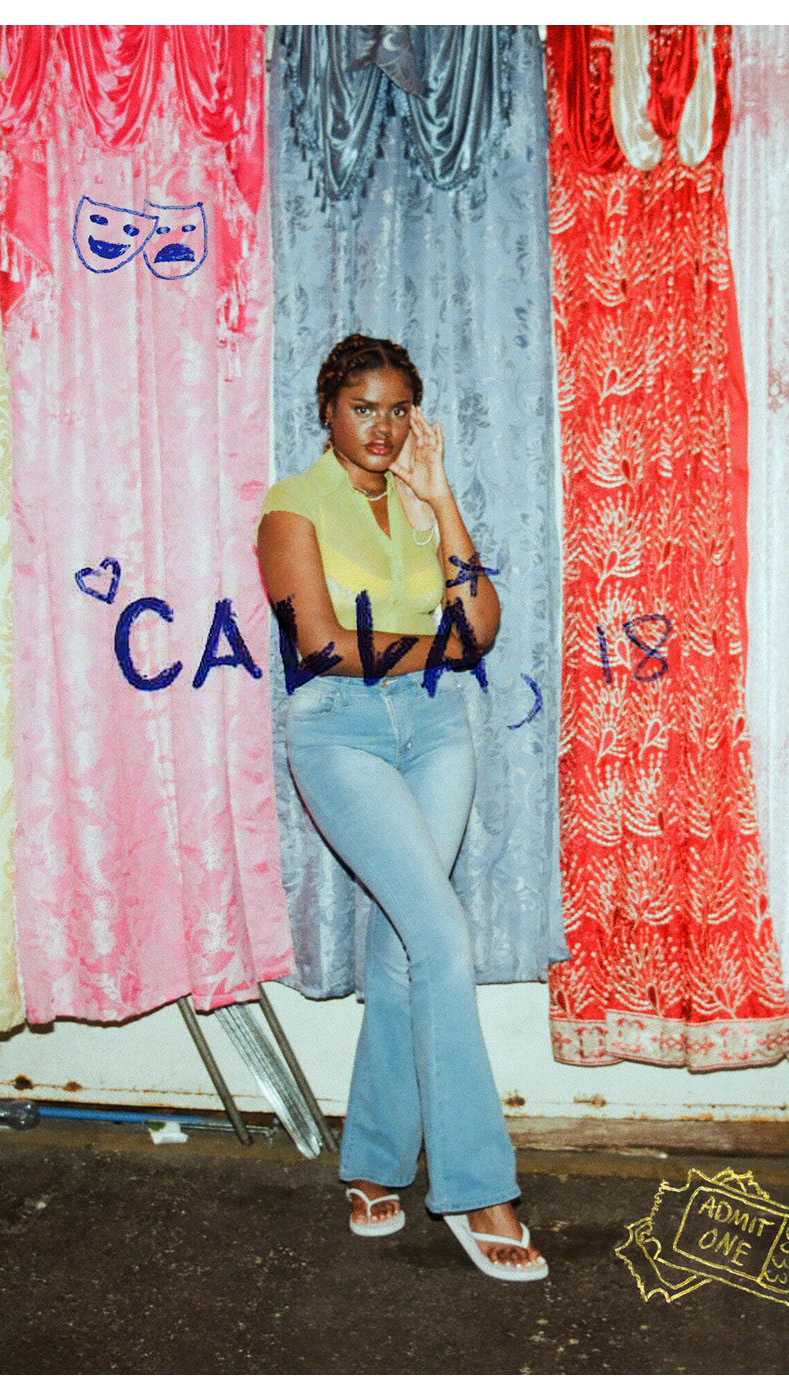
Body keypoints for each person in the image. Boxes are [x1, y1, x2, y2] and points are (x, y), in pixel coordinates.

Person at [256, 334, 547, 1283]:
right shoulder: (292, 506)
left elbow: (483, 624)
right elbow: (322, 646)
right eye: (362, 408)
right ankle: (477, 1187)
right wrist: (442, 648)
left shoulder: (419, 504)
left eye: (397, 411)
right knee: (443, 937)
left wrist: (441, 496)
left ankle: (376, 1161)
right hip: (339, 733)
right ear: (327, 411)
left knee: (402, 949)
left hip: (438, 732)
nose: (380, 428)